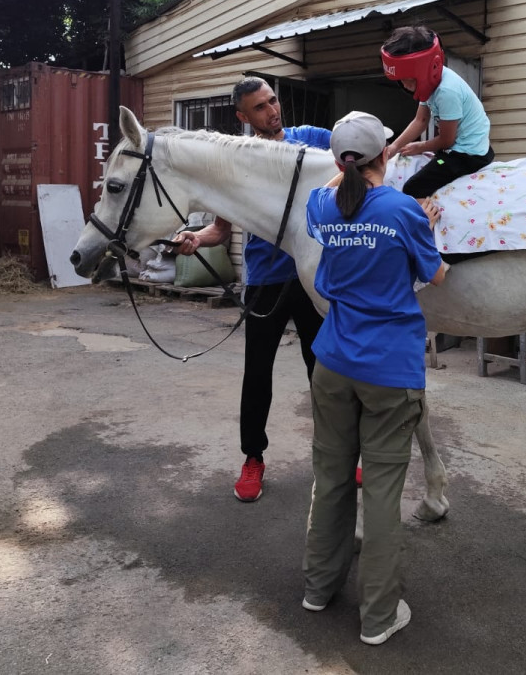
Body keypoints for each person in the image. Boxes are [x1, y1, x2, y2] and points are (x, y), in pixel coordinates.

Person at [301, 111, 447, 645]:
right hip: (389, 370)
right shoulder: (404, 210)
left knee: (332, 475)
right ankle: (379, 617)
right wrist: (426, 225)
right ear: (386, 154)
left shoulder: (322, 205)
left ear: (341, 163)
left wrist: (345, 167)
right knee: (382, 492)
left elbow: (332, 191)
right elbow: (435, 274)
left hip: (333, 363)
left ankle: (318, 589)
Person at [174, 76, 330, 503]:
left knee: (324, 372)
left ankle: (336, 457)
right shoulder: (237, 164)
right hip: (265, 279)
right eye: (260, 107)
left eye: (273, 101)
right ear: (243, 117)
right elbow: (220, 230)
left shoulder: (313, 141)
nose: (272, 111)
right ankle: (253, 458)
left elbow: (362, 161)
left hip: (312, 276)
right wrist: (196, 239)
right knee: (257, 375)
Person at [381, 25, 494, 198]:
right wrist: (394, 147)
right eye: (401, 81)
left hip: (467, 155)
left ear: (423, 71)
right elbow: (420, 120)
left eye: (408, 80)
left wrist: (420, 146)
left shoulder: (447, 92)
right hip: (457, 146)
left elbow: (447, 141)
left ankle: (427, 223)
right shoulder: (430, 81)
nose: (405, 86)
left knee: (413, 187)